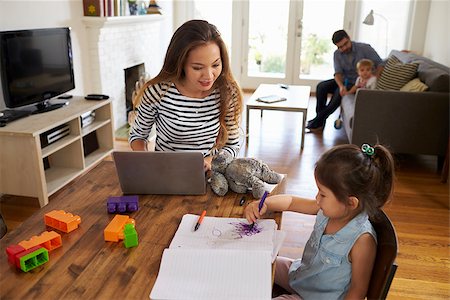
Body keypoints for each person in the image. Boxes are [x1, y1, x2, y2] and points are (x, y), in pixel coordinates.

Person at [245, 143, 395, 299]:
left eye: (322, 194)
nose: (317, 198)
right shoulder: (329, 210)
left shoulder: (363, 241)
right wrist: (265, 204)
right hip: (300, 276)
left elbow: (358, 291)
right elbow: (291, 202)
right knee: (258, 262)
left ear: (351, 202)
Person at [129, 20, 243, 171]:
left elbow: (232, 145)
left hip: (209, 175)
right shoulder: (158, 91)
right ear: (180, 63)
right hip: (165, 172)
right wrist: (149, 163)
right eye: (197, 67)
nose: (209, 75)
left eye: (215, 65)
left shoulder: (227, 93)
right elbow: (138, 135)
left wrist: (209, 161)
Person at [306, 30, 384, 132]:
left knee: (338, 94)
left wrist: (374, 77)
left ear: (349, 38)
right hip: (345, 81)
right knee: (321, 87)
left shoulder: (365, 48)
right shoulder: (337, 54)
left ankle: (318, 121)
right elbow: (338, 73)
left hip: (358, 83)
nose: (343, 48)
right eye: (340, 47)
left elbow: (380, 63)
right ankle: (320, 121)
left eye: (345, 44)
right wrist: (341, 85)